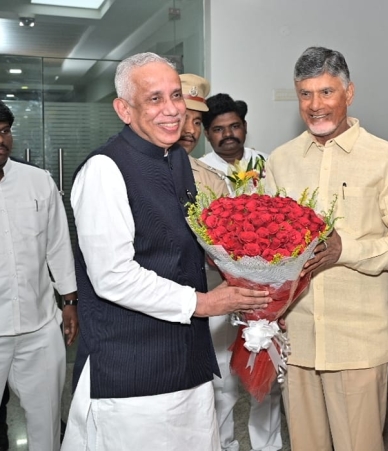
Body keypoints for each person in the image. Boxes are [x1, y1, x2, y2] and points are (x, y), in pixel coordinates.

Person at [62, 52, 272, 451]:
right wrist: (206, 303)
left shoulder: (175, 158)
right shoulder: (104, 170)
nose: (173, 110)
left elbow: (183, 245)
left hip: (187, 361)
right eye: (155, 99)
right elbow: (113, 277)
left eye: (176, 95)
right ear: (124, 109)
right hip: (133, 371)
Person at [264, 46, 388, 451]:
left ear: (349, 93)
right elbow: (267, 248)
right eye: (305, 94)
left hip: (358, 341)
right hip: (296, 338)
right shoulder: (279, 162)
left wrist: (344, 250)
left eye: (326, 92)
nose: (315, 105)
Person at [200, 93, 281, 451]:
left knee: (266, 371)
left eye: (234, 126)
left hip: (267, 292)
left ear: (245, 127)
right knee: (222, 380)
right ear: (207, 134)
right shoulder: (197, 171)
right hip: (216, 287)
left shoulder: (269, 164)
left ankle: (269, 445)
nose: (228, 135)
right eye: (218, 129)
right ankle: (225, 444)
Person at [0, 100, 79, 451]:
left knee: (47, 421)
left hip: (39, 325)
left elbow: (58, 245)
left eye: (4, 132)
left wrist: (70, 301)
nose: (1, 140)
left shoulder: (37, 181)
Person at [178, 73, 228, 195]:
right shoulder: (142, 172)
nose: (191, 130)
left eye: (197, 122)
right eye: (184, 119)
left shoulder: (212, 181)